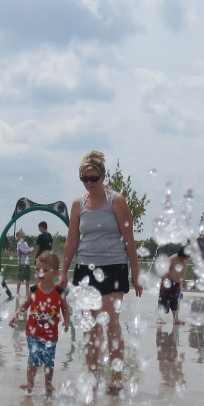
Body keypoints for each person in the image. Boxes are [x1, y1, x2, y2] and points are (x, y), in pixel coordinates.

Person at [59, 149, 143, 393]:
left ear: (103, 177)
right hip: (86, 269)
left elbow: (129, 239)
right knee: (90, 324)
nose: (89, 183)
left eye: (93, 178)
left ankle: (116, 374)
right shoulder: (78, 204)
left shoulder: (116, 201)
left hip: (113, 268)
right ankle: (92, 373)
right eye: (84, 179)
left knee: (109, 320)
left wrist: (135, 274)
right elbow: (71, 240)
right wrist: (64, 272)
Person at [9, 252, 71, 394]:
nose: (40, 273)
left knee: (49, 360)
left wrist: (66, 321)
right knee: (34, 356)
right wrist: (16, 314)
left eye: (44, 270)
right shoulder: (34, 290)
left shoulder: (59, 292)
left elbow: (65, 309)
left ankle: (48, 384)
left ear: (55, 272)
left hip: (51, 335)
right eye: (37, 270)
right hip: (33, 332)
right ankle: (30, 383)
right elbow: (25, 305)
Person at [157, 246, 188, 325]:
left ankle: (176, 319)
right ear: (181, 256)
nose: (188, 258)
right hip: (168, 282)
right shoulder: (173, 258)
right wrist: (164, 279)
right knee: (163, 299)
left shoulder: (185, 260)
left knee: (174, 301)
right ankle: (159, 318)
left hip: (176, 284)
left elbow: (183, 271)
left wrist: (182, 282)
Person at [15, 229, 32, 297]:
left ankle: (27, 292)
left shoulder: (25, 243)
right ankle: (17, 292)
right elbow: (25, 252)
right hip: (22, 263)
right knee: (20, 278)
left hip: (27, 263)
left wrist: (28, 251)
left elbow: (29, 252)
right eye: (22, 234)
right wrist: (28, 251)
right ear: (18, 236)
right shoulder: (19, 244)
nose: (24, 235)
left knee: (28, 278)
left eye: (24, 233)